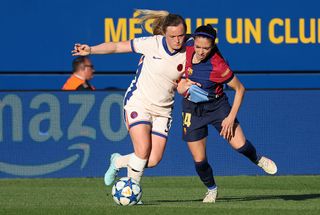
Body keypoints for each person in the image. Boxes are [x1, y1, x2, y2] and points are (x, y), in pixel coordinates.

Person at [72, 10, 193, 189]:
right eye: (172, 36)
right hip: (139, 102)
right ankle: (131, 190)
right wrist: (91, 50)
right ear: (164, 34)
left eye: (181, 35)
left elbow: (209, 48)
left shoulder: (191, 46)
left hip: (163, 110)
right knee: (142, 151)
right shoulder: (153, 44)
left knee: (152, 160)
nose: (177, 40)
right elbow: (117, 47)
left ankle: (118, 161)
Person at [177, 24, 277, 203]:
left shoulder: (218, 65)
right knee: (199, 160)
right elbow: (171, 37)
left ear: (213, 46)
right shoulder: (189, 43)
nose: (201, 51)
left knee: (240, 145)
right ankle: (212, 189)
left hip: (217, 106)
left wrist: (230, 117)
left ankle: (258, 159)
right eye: (199, 47)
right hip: (192, 108)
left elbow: (240, 89)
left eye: (206, 48)